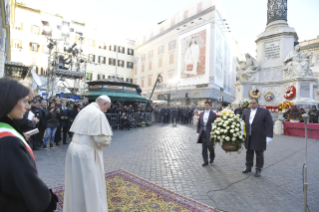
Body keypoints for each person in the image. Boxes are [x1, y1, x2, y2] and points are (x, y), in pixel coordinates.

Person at [0, 78, 58, 211]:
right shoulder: (9, 142)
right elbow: (26, 182)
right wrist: (47, 202)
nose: (28, 107)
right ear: (9, 101)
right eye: (25, 101)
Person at [63, 95, 113, 212]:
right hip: (87, 153)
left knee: (76, 184)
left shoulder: (85, 109)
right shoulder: (98, 113)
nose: (106, 111)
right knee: (91, 185)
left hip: (73, 149)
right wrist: (109, 139)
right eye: (107, 108)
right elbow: (101, 139)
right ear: (104, 104)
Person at [242, 98, 273, 177]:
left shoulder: (264, 112)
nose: (252, 105)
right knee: (249, 152)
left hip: (259, 136)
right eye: (251, 103)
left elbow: (269, 124)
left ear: (257, 103)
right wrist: (241, 133)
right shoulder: (245, 111)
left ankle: (258, 169)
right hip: (248, 136)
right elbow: (242, 123)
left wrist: (269, 136)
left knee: (259, 153)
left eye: (254, 103)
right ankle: (248, 167)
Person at [197, 102, 217, 166]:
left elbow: (216, 124)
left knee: (210, 146)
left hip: (210, 133)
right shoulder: (201, 114)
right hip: (203, 133)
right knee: (204, 147)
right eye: (205, 105)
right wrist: (198, 132)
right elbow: (199, 124)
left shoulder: (213, 114)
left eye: (207, 105)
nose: (206, 106)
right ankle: (205, 161)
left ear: (210, 106)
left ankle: (212, 157)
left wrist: (214, 132)